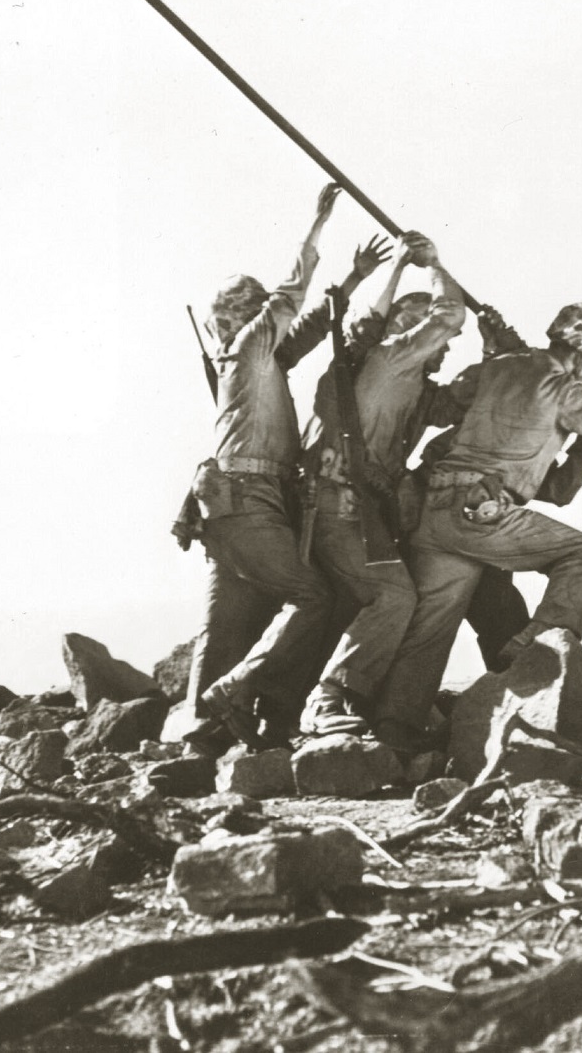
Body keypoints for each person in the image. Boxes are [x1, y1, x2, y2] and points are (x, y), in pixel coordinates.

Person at [372, 302, 582, 748]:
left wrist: (578, 446)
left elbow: (458, 404)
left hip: (437, 508)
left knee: (430, 630)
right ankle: (534, 648)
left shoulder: (499, 367)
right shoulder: (565, 388)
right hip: (482, 512)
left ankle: (393, 732)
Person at [186, 182, 389, 747]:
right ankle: (237, 692)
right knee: (314, 596)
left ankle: (198, 737)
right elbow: (289, 298)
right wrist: (317, 223)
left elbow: (304, 329)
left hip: (233, 505)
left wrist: (352, 282)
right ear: (241, 322)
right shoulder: (250, 351)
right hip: (250, 502)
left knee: (223, 624)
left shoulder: (258, 361)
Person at [294, 233, 469, 737]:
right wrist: (433, 265)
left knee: (381, 598)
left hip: (357, 512)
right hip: (336, 505)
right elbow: (450, 314)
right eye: (438, 344)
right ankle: (327, 700)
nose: (446, 349)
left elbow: (459, 406)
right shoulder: (392, 363)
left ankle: (373, 702)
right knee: (394, 598)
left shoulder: (413, 388)